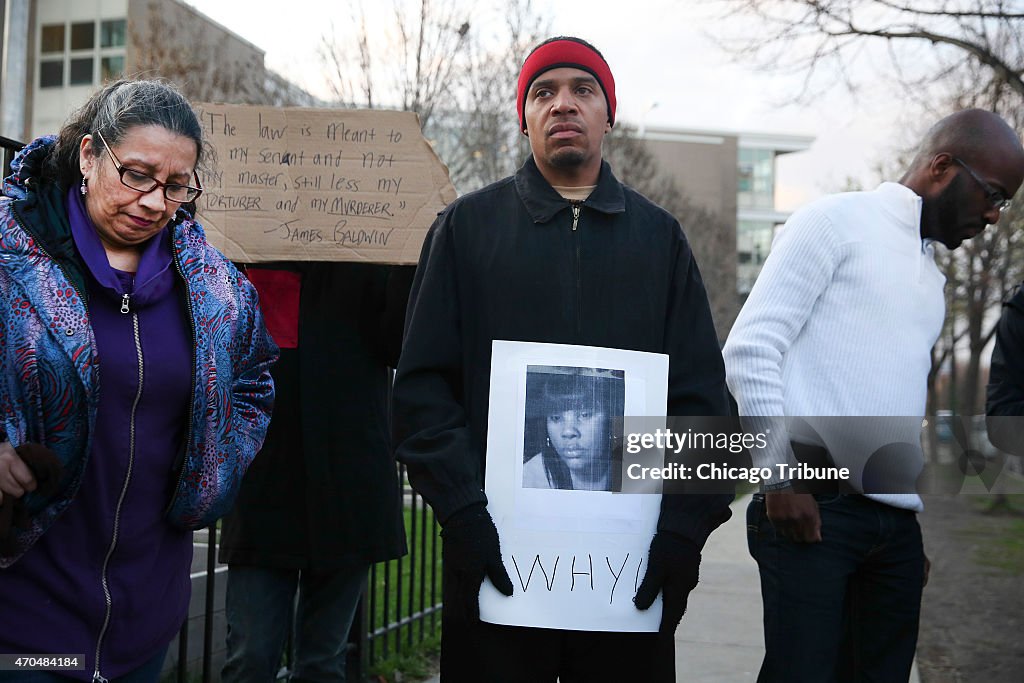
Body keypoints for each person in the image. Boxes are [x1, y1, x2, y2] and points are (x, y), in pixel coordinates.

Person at [392, 36, 732, 682]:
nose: (563, 104)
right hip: (495, 570)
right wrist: (462, 511)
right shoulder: (465, 230)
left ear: (609, 114)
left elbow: (701, 402)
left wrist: (682, 533)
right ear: (524, 117)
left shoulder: (660, 241)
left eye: (583, 89)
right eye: (544, 92)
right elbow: (421, 391)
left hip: (629, 579)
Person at [723, 108, 1024, 682]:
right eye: (992, 194)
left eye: (1003, 204)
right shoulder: (834, 222)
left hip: (891, 528)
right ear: (941, 166)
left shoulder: (931, 279)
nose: (992, 215)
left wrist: (901, 529)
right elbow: (750, 350)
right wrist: (777, 478)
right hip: (810, 505)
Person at [0, 79, 277, 682]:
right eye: (137, 174)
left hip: (145, 616)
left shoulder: (214, 287)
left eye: (177, 185)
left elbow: (255, 380)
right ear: (89, 155)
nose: (155, 201)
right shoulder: (8, 255)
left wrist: (215, 467)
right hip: (24, 614)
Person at [218, 261, 412, 683]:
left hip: (348, 482)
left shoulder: (379, 255)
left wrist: (407, 264)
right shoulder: (249, 252)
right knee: (251, 658)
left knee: (323, 663)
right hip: (264, 486)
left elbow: (398, 345)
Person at [522, 367, 624, 491]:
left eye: (585, 414)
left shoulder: (638, 467)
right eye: (556, 417)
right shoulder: (530, 477)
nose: (568, 432)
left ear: (610, 420)